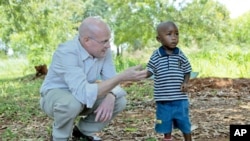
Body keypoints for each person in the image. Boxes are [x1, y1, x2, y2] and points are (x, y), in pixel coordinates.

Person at [39, 16, 147, 141]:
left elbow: (111, 79)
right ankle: (59, 137)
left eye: (109, 40)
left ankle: (82, 132)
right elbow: (83, 93)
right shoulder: (67, 52)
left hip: (83, 95)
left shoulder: (103, 51)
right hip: (56, 96)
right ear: (86, 40)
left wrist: (111, 95)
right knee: (71, 103)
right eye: (104, 41)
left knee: (119, 100)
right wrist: (121, 77)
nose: (108, 46)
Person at [145, 21, 192, 141]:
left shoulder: (180, 54)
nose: (174, 37)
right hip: (163, 100)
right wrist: (141, 74)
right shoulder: (156, 55)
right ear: (159, 39)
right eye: (169, 34)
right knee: (165, 123)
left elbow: (187, 69)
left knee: (184, 123)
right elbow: (150, 70)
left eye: (176, 34)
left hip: (180, 99)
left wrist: (185, 82)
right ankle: (168, 138)